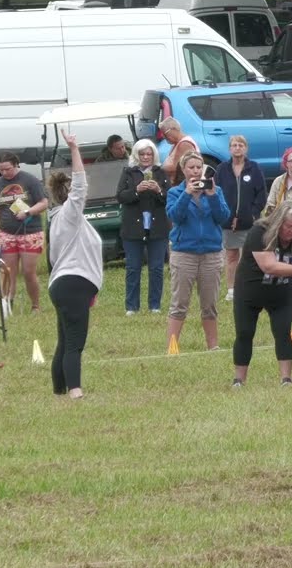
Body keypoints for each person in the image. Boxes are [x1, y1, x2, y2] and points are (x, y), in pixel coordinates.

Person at [232, 200, 292, 388]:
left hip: (281, 293)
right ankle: (239, 379)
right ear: (278, 223)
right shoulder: (259, 232)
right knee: (244, 332)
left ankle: (286, 379)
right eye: (288, 226)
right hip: (250, 291)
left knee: (283, 332)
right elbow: (269, 265)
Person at [46, 126, 104, 399]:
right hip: (72, 284)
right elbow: (80, 183)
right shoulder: (68, 213)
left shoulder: (57, 219)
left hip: (65, 284)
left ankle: (58, 391)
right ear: (68, 197)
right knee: (75, 343)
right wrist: (74, 149)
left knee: (64, 340)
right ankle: (75, 391)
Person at [166, 151, 231, 351]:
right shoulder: (175, 193)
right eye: (191, 167)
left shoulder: (215, 190)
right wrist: (187, 194)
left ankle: (213, 346)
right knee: (179, 303)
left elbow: (224, 217)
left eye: (198, 167)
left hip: (211, 253)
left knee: (209, 303)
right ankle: (172, 347)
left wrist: (211, 196)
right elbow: (175, 216)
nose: (195, 171)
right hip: (184, 253)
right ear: (183, 170)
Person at [0, 152, 48, 313]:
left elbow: (44, 203)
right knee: (9, 272)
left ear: (16, 165)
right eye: (1, 170)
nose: (5, 173)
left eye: (8, 169)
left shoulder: (30, 180)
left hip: (30, 232)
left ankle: (35, 305)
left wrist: (29, 212)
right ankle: (8, 303)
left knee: (28, 271)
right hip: (7, 233)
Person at [117, 138, 171, 315]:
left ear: (154, 155)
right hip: (133, 227)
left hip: (158, 227)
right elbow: (120, 197)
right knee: (133, 267)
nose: (146, 157)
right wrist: (136, 191)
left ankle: (155, 306)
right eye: (142, 154)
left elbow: (169, 199)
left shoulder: (161, 172)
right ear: (136, 155)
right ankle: (131, 307)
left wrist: (158, 191)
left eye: (149, 154)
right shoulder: (127, 172)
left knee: (156, 268)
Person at [216, 135, 267, 302]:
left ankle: (249, 287)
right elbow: (217, 193)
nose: (237, 148)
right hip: (228, 221)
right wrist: (225, 214)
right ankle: (231, 289)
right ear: (230, 149)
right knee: (231, 256)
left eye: (241, 145)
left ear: (246, 148)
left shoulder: (254, 168)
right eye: (234, 145)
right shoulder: (222, 169)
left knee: (250, 256)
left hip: (249, 221)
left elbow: (261, 194)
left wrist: (252, 214)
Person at [159, 118, 199, 184]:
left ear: (174, 129)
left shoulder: (185, 144)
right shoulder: (176, 144)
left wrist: (157, 170)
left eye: (165, 133)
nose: (163, 136)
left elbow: (175, 168)